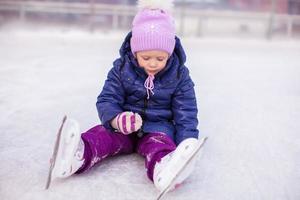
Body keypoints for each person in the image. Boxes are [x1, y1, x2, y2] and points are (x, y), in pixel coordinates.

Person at [49, 0, 205, 193]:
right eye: (146, 58)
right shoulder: (121, 69)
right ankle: (78, 155)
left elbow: (186, 112)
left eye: (160, 58)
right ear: (134, 51)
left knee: (160, 145)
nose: (154, 64)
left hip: (158, 128)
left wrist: (186, 145)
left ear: (170, 54)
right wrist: (116, 120)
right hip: (124, 126)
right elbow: (107, 99)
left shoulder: (179, 75)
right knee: (101, 135)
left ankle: (165, 167)